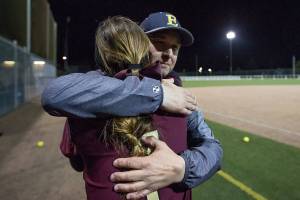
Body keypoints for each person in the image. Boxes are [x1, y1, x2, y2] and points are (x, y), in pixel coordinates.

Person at [42, 12, 223, 200]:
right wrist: (158, 94)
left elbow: (213, 148)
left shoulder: (178, 95)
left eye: (175, 48)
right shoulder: (96, 86)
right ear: (137, 42)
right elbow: (53, 95)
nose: (169, 54)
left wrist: (182, 167)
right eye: (160, 43)